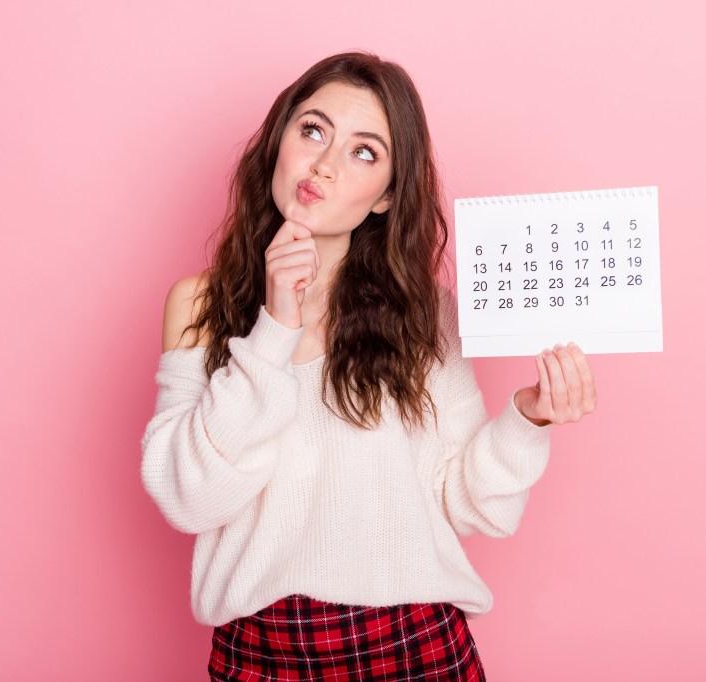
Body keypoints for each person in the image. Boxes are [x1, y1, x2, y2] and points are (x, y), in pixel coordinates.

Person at [141, 51, 596, 681]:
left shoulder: (423, 315)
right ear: (279, 141)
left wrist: (527, 420)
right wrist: (274, 329)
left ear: (386, 196)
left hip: (414, 646)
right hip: (263, 656)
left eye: (363, 151)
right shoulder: (198, 304)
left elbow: (469, 504)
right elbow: (190, 498)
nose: (324, 164)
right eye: (313, 130)